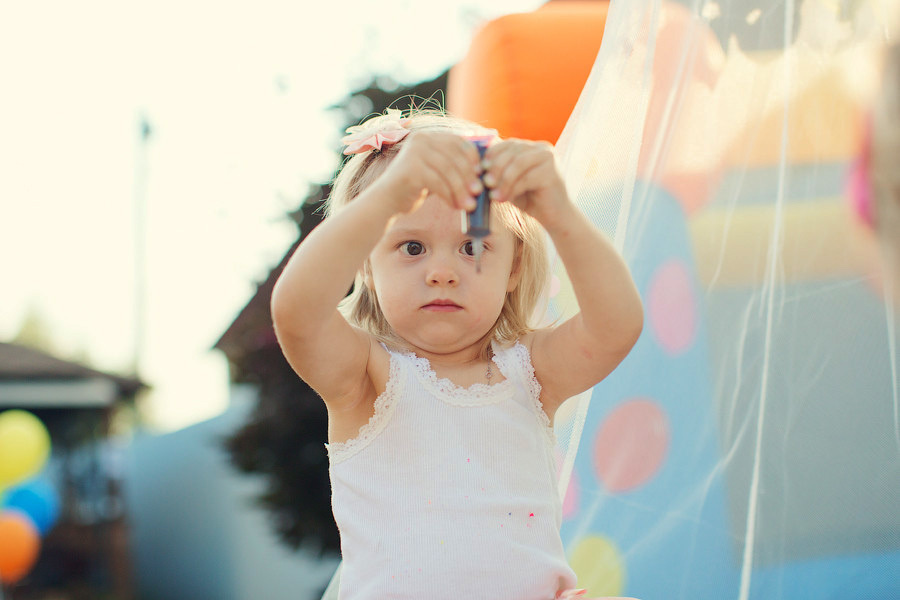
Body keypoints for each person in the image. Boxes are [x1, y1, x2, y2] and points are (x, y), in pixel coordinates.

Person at [271, 106, 644, 600]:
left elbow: (616, 326)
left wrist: (560, 213)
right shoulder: (365, 378)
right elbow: (296, 313)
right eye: (412, 247)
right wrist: (389, 197)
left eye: (472, 247)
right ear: (366, 264)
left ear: (513, 268)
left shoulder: (531, 371)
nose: (442, 273)